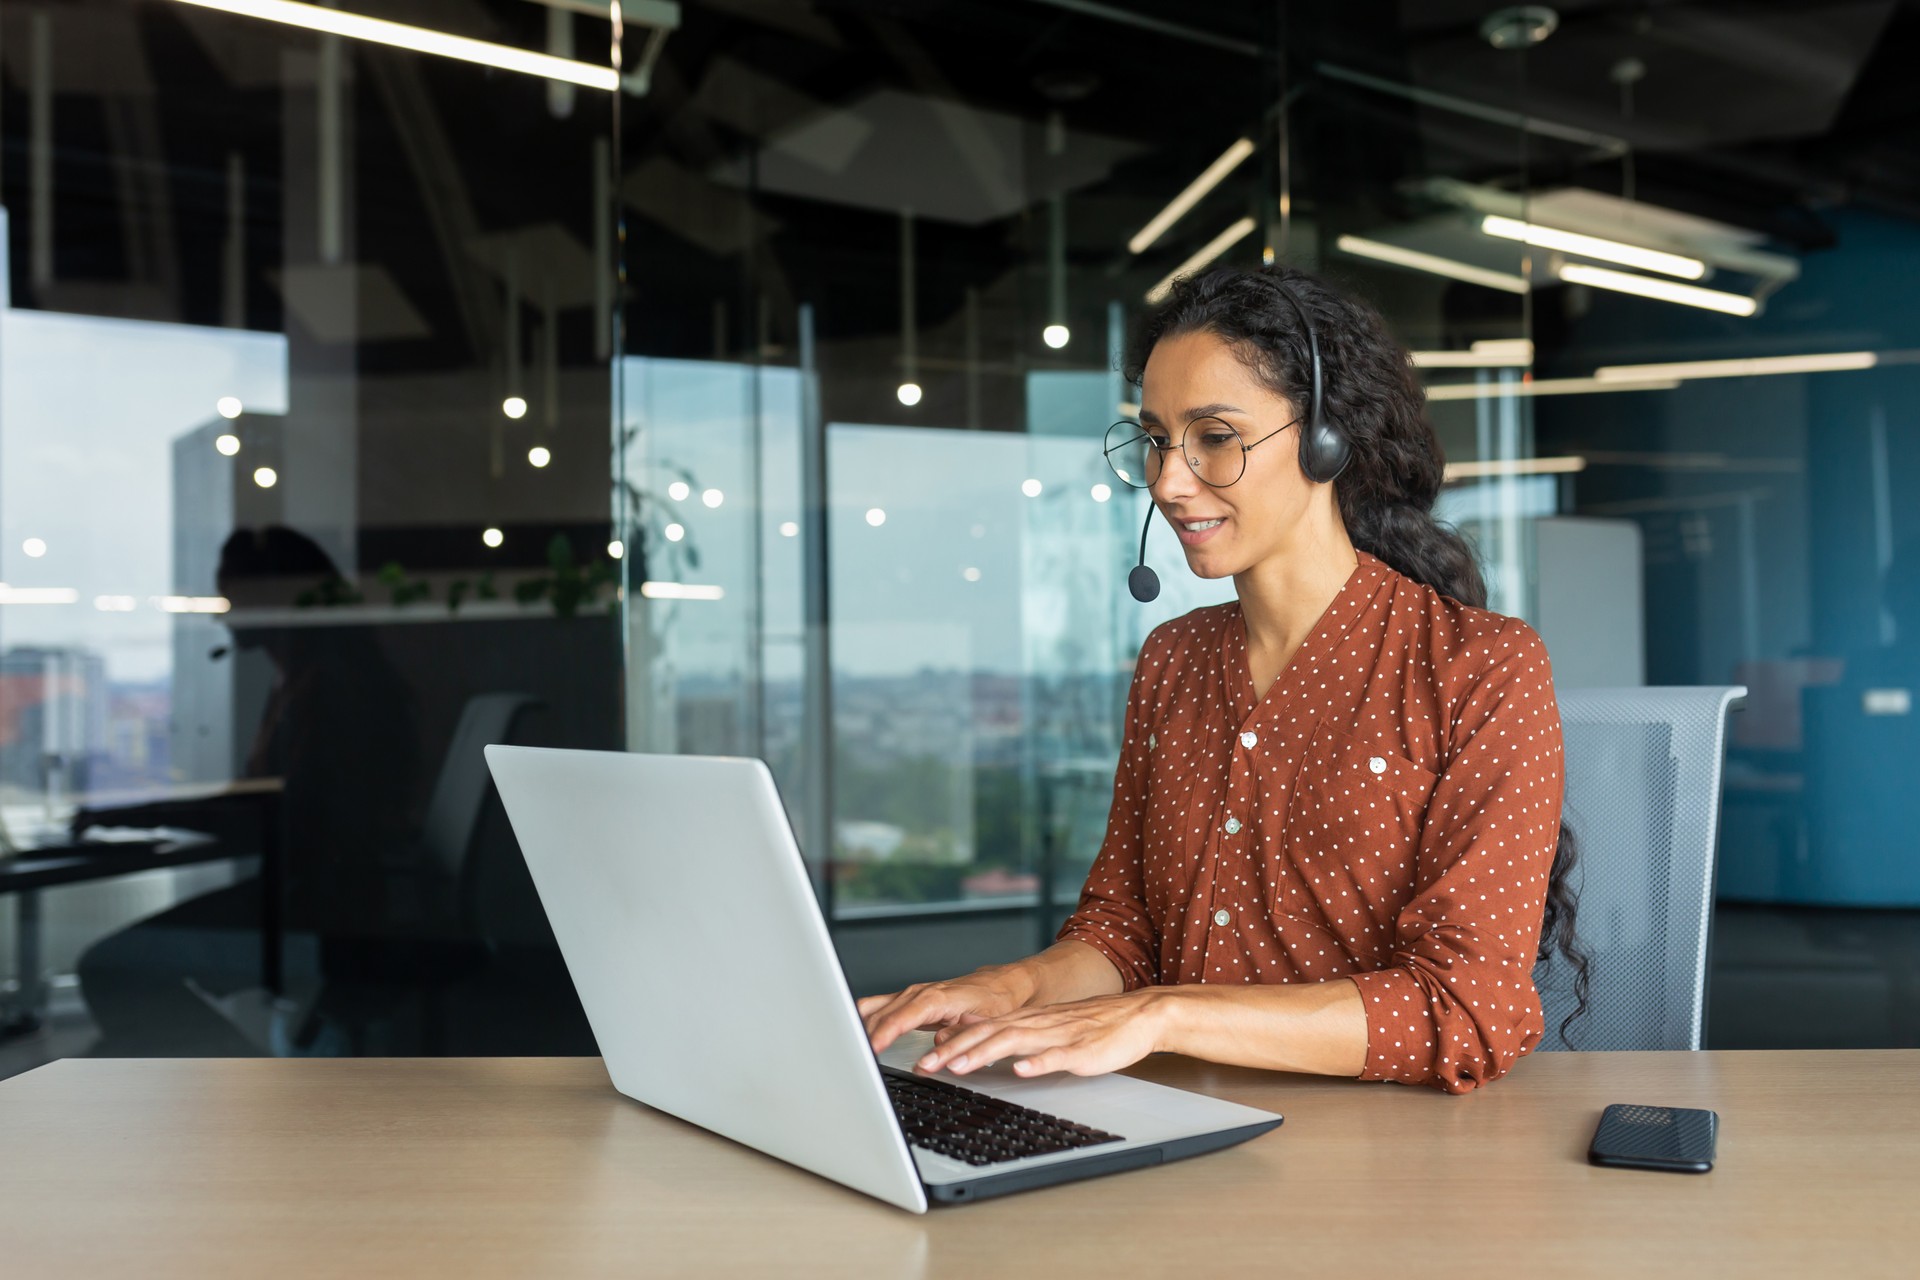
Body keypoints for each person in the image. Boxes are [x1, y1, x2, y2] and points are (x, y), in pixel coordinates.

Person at [861, 263, 1587, 1094]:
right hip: (1180, 1123)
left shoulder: (1480, 666)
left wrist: (1165, 1014)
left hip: (1381, 1155)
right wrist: (1011, 988)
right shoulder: (1174, 660)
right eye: (1158, 440)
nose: (1169, 481)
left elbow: (1465, 1010)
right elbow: (1124, 931)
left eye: (1214, 436)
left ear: (1326, 436)